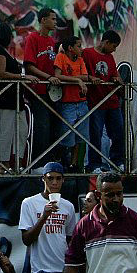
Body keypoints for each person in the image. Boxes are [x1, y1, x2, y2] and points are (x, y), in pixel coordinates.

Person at [19, 162, 77, 273]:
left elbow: (71, 239)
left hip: (64, 270)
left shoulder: (68, 206)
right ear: (43, 179)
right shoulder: (29, 203)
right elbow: (26, 239)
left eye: (59, 179)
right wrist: (44, 217)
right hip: (41, 271)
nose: (54, 183)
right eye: (50, 178)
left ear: (63, 180)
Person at [0, 20, 37, 168]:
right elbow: (1, 73)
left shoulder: (2, 50)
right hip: (4, 98)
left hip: (16, 98)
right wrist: (23, 77)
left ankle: (18, 162)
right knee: (5, 131)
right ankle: (4, 164)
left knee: (22, 131)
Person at [82, 30, 124, 173]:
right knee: (95, 134)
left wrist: (116, 80)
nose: (114, 49)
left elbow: (116, 76)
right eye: (113, 46)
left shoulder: (110, 57)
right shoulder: (87, 53)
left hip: (112, 101)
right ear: (106, 42)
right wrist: (89, 78)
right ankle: (94, 164)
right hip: (95, 102)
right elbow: (81, 72)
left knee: (118, 132)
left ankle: (117, 162)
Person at [22, 8, 61, 165]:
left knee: (54, 127)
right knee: (41, 127)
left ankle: (52, 162)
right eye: (52, 19)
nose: (55, 22)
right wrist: (48, 78)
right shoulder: (33, 38)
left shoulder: (52, 42)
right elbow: (30, 66)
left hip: (53, 92)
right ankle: (38, 163)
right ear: (43, 20)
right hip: (38, 91)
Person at [54, 36, 91, 172]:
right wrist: (78, 80)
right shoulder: (61, 57)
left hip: (81, 102)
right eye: (79, 46)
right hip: (67, 102)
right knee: (66, 135)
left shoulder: (80, 60)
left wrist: (75, 79)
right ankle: (63, 160)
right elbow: (58, 75)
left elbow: (85, 76)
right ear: (70, 48)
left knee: (80, 136)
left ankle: (74, 164)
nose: (81, 49)